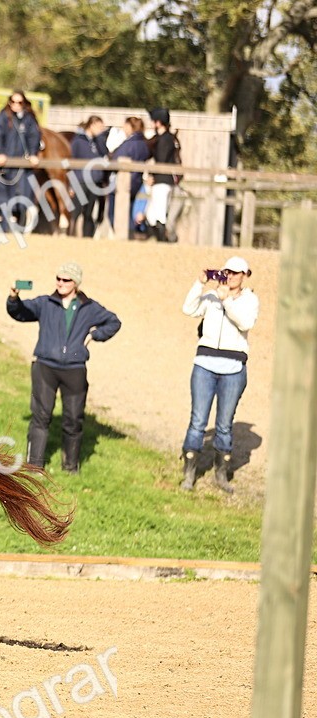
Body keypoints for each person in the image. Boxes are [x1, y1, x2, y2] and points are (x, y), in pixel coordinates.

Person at [6, 263, 122, 473]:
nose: (60, 283)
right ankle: (34, 466)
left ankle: (70, 467)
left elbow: (114, 322)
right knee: (40, 417)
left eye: (66, 280)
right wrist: (14, 298)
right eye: (58, 278)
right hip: (45, 368)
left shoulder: (90, 308)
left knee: (73, 419)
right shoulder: (45, 303)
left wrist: (94, 335)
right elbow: (20, 313)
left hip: (74, 369)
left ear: (76, 283)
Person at [179, 256, 258, 493]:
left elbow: (245, 323)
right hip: (204, 364)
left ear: (245, 275)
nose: (231, 276)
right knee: (198, 421)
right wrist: (199, 283)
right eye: (228, 272)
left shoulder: (250, 300)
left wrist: (227, 302)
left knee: (224, 424)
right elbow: (188, 308)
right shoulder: (212, 296)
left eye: (236, 273)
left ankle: (221, 474)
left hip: (233, 369)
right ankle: (189, 474)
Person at [0, 90, 42, 232]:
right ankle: (2, 228)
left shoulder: (29, 119)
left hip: (22, 166)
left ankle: (20, 227)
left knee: (23, 197)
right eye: (13, 102)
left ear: (24, 103)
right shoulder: (4, 117)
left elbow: (34, 137)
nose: (16, 105)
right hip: (5, 167)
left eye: (19, 102)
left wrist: (33, 153)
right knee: (1, 197)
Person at [106, 117, 150, 233]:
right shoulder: (143, 144)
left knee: (112, 213)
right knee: (128, 212)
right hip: (136, 182)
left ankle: (122, 237)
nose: (123, 129)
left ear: (131, 127)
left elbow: (117, 159)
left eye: (125, 126)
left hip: (122, 183)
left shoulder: (129, 144)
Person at [69, 115, 109, 238]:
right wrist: (71, 184)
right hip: (80, 181)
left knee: (89, 212)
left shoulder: (98, 142)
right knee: (76, 212)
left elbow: (104, 153)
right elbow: (71, 162)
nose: (101, 129)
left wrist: (100, 140)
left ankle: (88, 238)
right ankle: (70, 235)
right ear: (91, 125)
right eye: (99, 126)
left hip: (94, 181)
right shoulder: (78, 141)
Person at [146, 107, 179, 242]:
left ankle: (163, 242)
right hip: (161, 179)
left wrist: (152, 175)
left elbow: (162, 160)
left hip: (163, 180)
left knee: (159, 214)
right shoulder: (162, 138)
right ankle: (158, 241)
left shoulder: (165, 140)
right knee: (151, 215)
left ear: (158, 122)